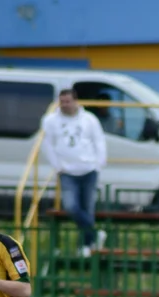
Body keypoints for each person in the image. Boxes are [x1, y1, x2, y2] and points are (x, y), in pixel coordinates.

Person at [41, 88, 108, 259]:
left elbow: (99, 141)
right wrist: (57, 166)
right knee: (71, 206)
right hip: (67, 172)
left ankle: (86, 245)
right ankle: (95, 234)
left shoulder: (89, 119)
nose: (65, 105)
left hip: (88, 170)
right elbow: (47, 144)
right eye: (62, 101)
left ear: (76, 101)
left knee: (87, 208)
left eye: (68, 101)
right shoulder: (51, 121)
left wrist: (98, 164)